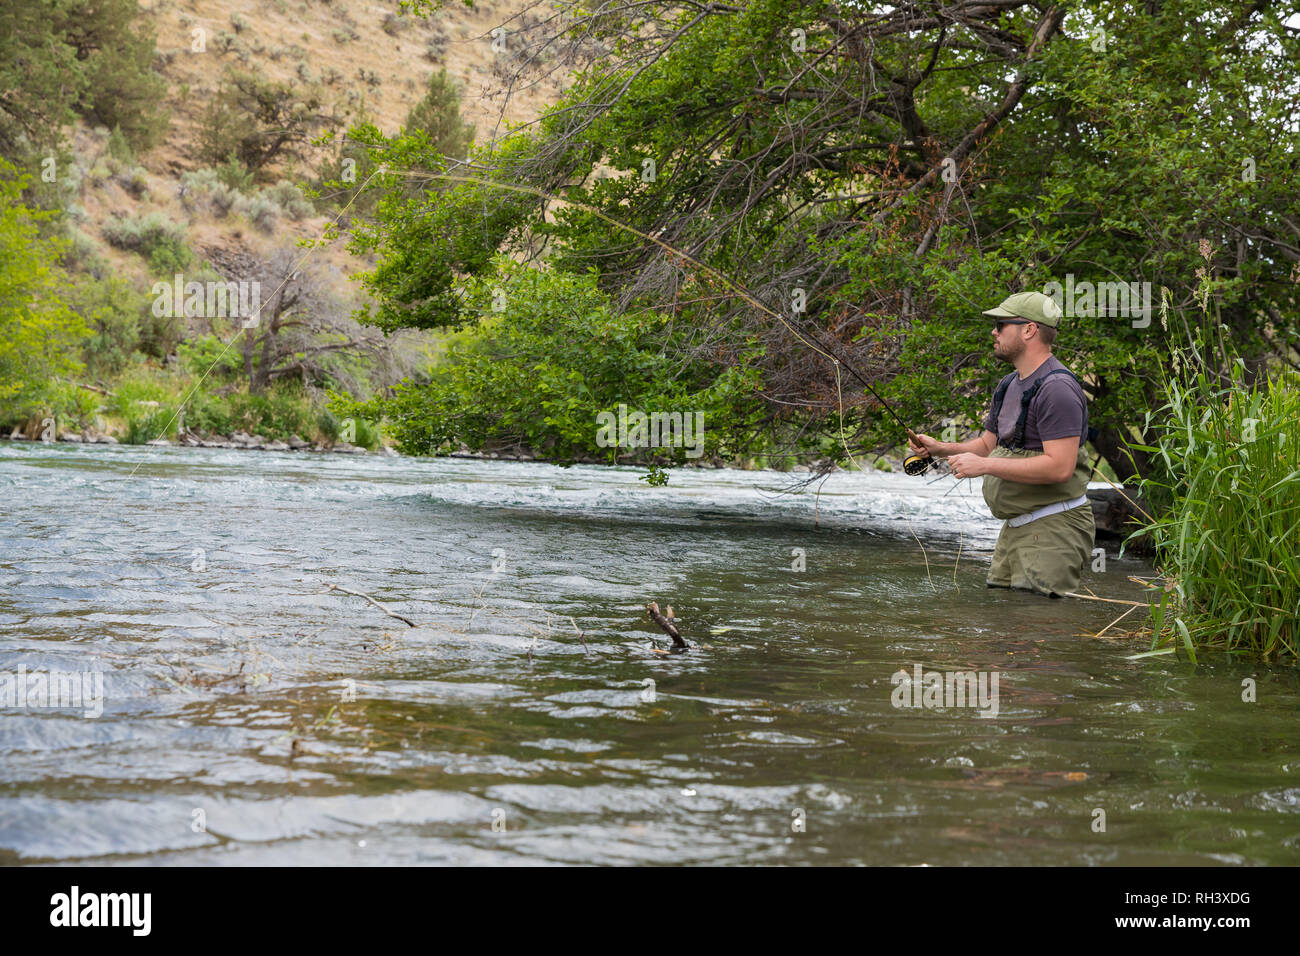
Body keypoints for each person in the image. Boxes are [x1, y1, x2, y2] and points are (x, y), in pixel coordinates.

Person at [907, 291, 1096, 598]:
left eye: (1000, 324)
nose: (993, 332)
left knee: (1040, 630)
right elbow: (987, 444)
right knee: (1005, 620)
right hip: (1017, 529)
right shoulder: (1008, 384)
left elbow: (1060, 468)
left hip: (1053, 528)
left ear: (1029, 329)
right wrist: (940, 449)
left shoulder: (1057, 389)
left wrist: (984, 466)